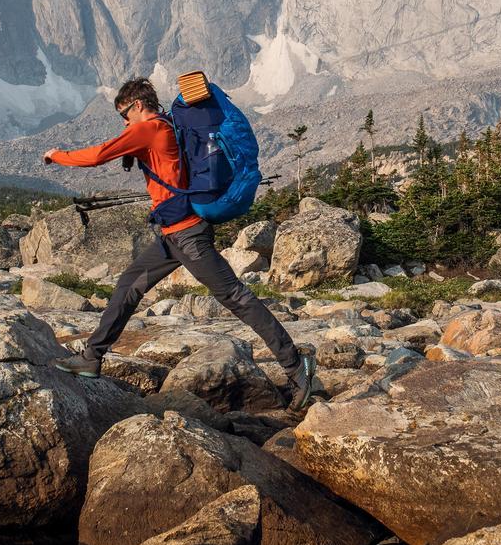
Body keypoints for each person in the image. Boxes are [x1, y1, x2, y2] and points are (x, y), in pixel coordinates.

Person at [44, 78, 316, 407]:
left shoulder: (149, 128)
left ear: (138, 106)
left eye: (125, 115)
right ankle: (91, 356)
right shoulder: (164, 126)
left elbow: (98, 155)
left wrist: (57, 155)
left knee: (235, 297)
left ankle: (294, 364)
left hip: (188, 235)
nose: (125, 122)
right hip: (172, 236)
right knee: (129, 286)